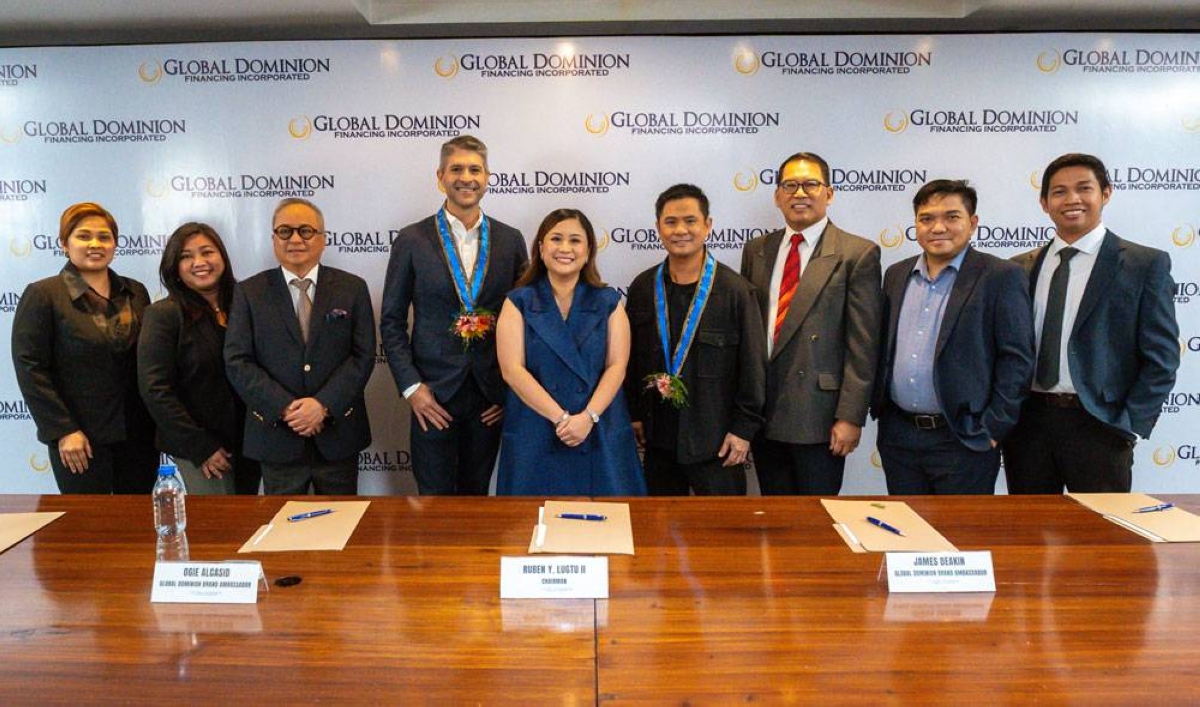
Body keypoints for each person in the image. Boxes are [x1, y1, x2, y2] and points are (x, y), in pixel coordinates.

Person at [1004, 153, 1180, 493]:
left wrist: (1127, 423)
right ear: (1044, 203)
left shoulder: (1144, 265)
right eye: (1058, 191)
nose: (1072, 199)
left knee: (1103, 539)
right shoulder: (1017, 268)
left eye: (1084, 188)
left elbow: (1162, 357)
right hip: (1028, 425)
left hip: (1100, 426)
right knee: (1030, 536)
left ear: (1106, 193)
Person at [381, 135, 528, 495]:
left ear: (488, 177)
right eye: (457, 169)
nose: (467, 177)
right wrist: (413, 388)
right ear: (440, 177)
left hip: (489, 397)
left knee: (477, 495)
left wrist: (511, 392)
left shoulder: (510, 240)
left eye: (475, 169)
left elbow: (526, 320)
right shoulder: (412, 240)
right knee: (434, 499)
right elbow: (391, 320)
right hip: (432, 396)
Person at [871, 180, 1035, 494]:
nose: (938, 227)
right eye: (927, 218)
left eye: (952, 217)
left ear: (972, 223)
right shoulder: (895, 273)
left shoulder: (1000, 275)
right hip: (899, 436)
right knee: (907, 534)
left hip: (964, 437)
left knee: (962, 538)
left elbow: (1017, 360)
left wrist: (992, 428)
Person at [740, 152, 882, 495]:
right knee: (775, 517)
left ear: (829, 193)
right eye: (790, 185)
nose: (799, 193)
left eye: (810, 184)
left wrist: (850, 416)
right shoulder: (757, 250)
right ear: (777, 196)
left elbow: (863, 345)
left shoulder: (856, 253)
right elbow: (750, 335)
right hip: (764, 411)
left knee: (818, 523)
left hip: (820, 415)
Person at [224, 198, 375, 495]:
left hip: (337, 435)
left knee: (340, 528)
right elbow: (237, 361)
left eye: (306, 231)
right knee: (283, 533)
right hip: (277, 437)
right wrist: (286, 408)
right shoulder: (248, 292)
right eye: (285, 231)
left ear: (323, 238)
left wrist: (322, 405)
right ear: (273, 239)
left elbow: (363, 356)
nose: (295, 239)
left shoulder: (352, 288)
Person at [626, 184, 766, 495]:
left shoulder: (736, 292)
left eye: (690, 221)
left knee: (722, 539)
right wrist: (633, 414)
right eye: (671, 222)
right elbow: (630, 361)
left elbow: (754, 369)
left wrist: (743, 430)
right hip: (658, 441)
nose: (681, 230)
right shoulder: (642, 288)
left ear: (708, 226)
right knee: (658, 536)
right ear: (658, 228)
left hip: (717, 445)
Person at [494, 209, 644, 496]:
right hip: (536, 429)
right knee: (531, 528)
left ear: (588, 250)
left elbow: (617, 366)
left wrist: (587, 418)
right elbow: (512, 370)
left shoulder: (609, 302)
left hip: (598, 426)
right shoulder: (518, 302)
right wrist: (562, 420)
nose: (565, 248)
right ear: (540, 247)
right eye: (556, 239)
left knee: (605, 529)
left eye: (575, 240)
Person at [11, 202, 158, 494]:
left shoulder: (135, 291)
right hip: (81, 439)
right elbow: (30, 367)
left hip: (139, 435)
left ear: (115, 243)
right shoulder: (44, 294)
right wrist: (63, 430)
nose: (95, 244)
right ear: (64, 244)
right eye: (83, 236)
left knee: (137, 526)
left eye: (104, 237)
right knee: (91, 530)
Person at [137, 223, 261, 495]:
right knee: (220, 531)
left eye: (207, 252)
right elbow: (155, 390)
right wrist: (200, 447)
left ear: (223, 258)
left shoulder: (247, 304)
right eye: (186, 256)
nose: (199, 262)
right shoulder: (164, 315)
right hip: (202, 450)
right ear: (175, 267)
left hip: (252, 443)